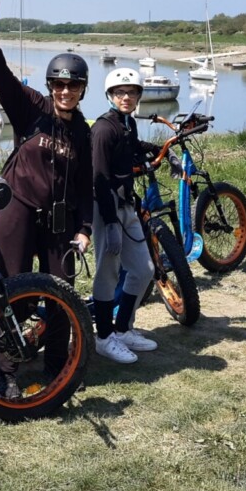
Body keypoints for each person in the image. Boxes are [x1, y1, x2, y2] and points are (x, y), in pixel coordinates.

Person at [0, 0, 92, 397]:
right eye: (58, 85)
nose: (64, 91)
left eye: (72, 86)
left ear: (82, 90)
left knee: (63, 294)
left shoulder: (84, 131)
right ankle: (6, 371)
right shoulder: (31, 109)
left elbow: (86, 188)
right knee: (14, 293)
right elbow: (0, 74)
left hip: (59, 223)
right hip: (18, 211)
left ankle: (58, 368)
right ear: (49, 86)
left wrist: (85, 229)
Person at [90, 67, 159, 363]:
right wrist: (109, 223)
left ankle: (123, 329)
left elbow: (133, 148)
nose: (126, 97)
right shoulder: (104, 129)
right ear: (110, 95)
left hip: (126, 205)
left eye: (132, 92)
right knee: (107, 274)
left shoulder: (126, 124)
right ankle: (103, 337)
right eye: (120, 92)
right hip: (106, 207)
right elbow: (99, 179)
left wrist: (162, 151)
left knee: (144, 269)